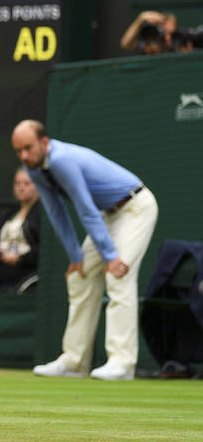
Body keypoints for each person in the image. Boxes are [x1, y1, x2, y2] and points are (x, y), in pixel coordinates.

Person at [11, 120, 158, 381]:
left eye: (28, 148)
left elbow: (84, 208)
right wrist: (75, 257)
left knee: (118, 275)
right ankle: (74, 362)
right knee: (80, 277)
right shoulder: (32, 168)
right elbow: (56, 213)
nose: (24, 155)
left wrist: (111, 257)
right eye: (19, 150)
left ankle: (122, 362)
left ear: (44, 143)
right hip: (108, 216)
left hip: (135, 208)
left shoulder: (61, 160)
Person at [120, 10, 197, 55]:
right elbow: (125, 43)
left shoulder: (179, 44)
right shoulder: (150, 44)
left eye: (172, 34)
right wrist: (140, 19)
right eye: (165, 33)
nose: (168, 38)